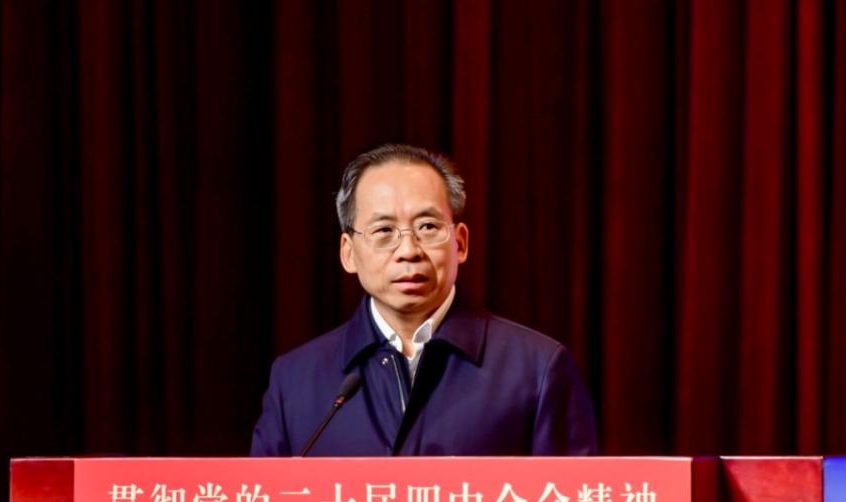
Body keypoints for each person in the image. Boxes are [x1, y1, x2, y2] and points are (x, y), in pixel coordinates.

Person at [250, 143, 598, 457]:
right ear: (348, 253)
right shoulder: (295, 380)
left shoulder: (536, 369)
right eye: (383, 231)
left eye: (428, 227)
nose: (408, 250)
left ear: (460, 243)